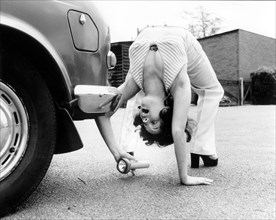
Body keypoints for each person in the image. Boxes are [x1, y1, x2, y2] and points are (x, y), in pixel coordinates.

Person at [95, 26, 224, 186]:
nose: (145, 119)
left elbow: (101, 110)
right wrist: (184, 177)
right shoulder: (179, 83)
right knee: (213, 90)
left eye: (145, 123)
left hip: (145, 35)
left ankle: (126, 146)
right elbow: (178, 131)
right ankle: (202, 148)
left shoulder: (133, 83)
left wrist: (117, 151)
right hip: (181, 37)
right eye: (154, 123)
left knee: (135, 90)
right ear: (168, 111)